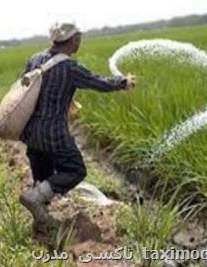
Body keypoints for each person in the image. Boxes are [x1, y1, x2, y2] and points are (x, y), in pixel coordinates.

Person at [19, 22, 135, 231]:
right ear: (72, 40)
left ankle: (41, 222)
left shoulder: (36, 59)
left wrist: (65, 98)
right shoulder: (69, 67)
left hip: (31, 132)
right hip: (53, 133)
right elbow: (98, 82)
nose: (80, 40)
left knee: (44, 178)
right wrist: (123, 82)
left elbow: (26, 89)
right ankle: (34, 197)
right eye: (78, 37)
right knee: (75, 170)